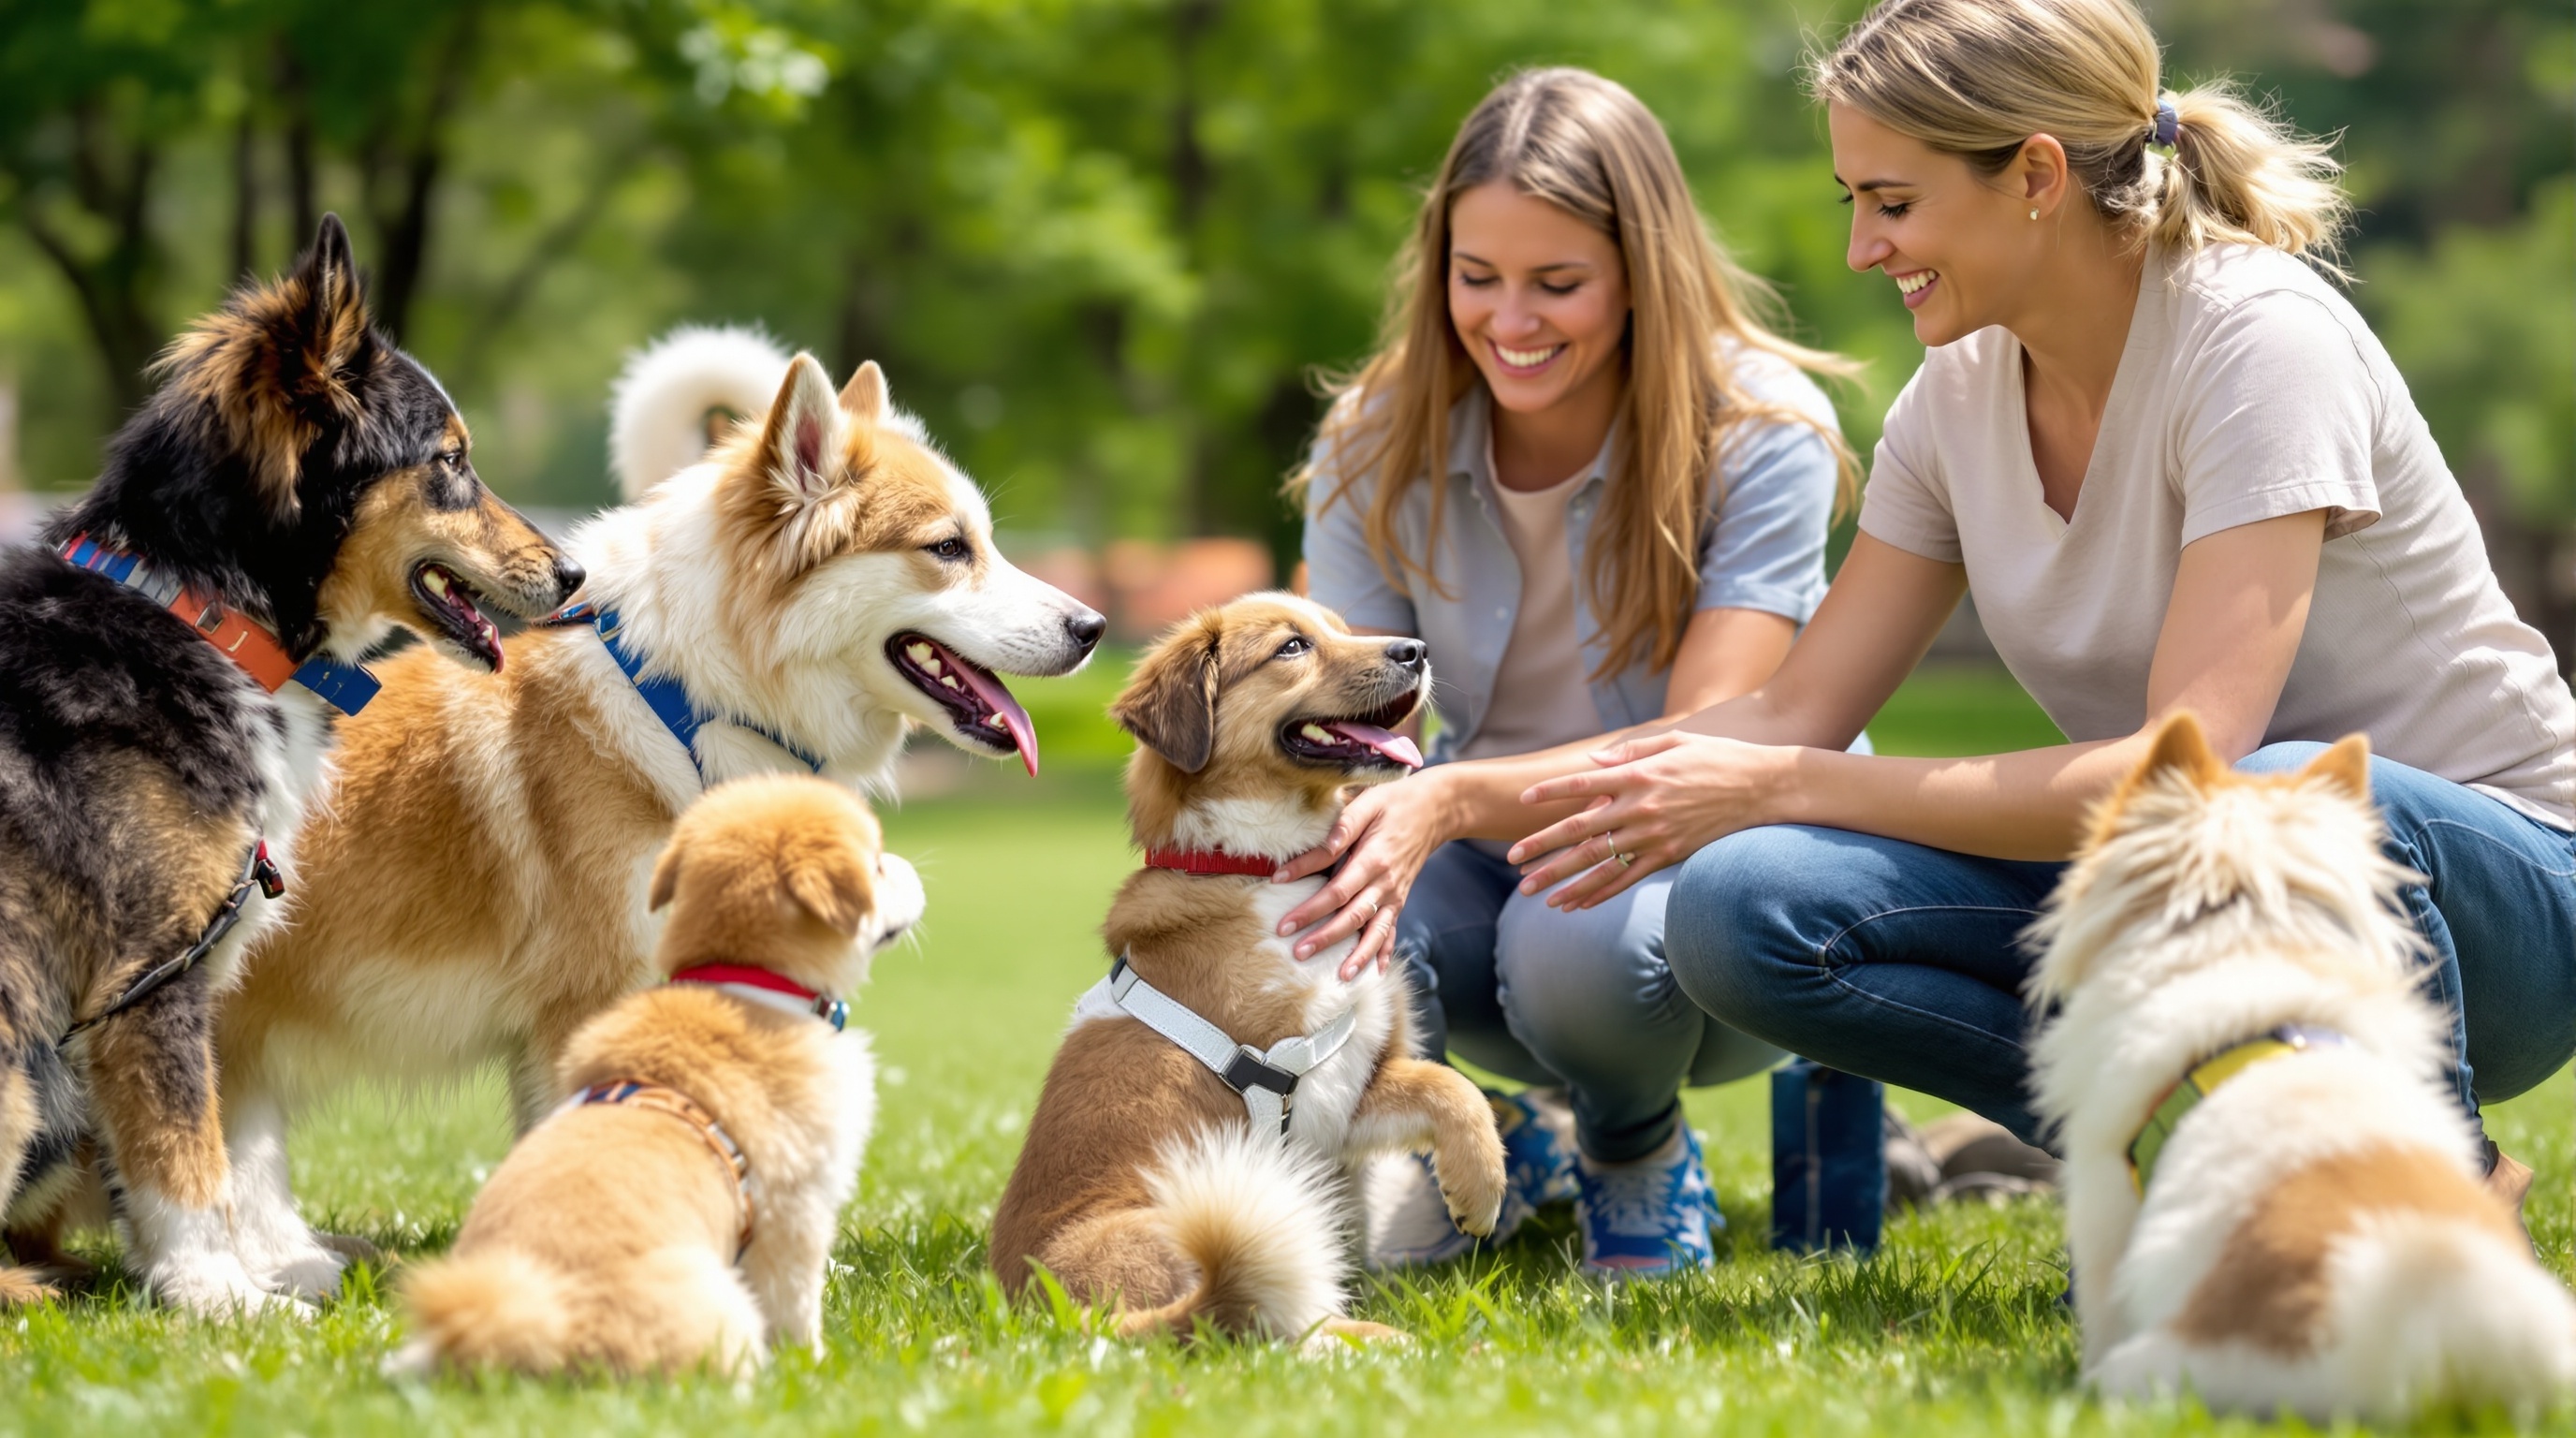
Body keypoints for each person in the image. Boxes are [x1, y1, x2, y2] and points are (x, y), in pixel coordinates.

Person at [1339, 0, 2569, 1199]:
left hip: (2482, 902)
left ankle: (2430, 1192)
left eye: (1894, 202)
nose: (1861, 249)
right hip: (2190, 883)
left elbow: (2181, 771)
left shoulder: (2256, 343)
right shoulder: (1954, 400)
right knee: (1741, 908)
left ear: (2035, 174)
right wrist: (1454, 796)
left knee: (2292, 786)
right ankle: (2200, 1144)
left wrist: (1792, 783)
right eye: (1855, 202)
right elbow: (1787, 715)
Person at [1281, 67, 1858, 1276]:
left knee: (1575, 945)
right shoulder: (1371, 443)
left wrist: (1444, 800)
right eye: (1476, 278)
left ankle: (1635, 1151)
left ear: (1644, 275)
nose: (1511, 322)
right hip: (1483, 850)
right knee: (1310, 910)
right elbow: (1342, 730)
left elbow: (1705, 738)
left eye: (1558, 284)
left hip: (1705, 864)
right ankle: (1469, 1136)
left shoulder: (1764, 432)